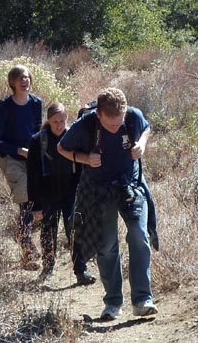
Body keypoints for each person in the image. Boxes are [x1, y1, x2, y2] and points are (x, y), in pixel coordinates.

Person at [57, 88, 159, 320]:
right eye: (110, 125)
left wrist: (141, 144)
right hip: (99, 190)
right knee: (107, 245)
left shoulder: (132, 116)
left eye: (119, 123)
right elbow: (61, 148)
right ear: (99, 115)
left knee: (139, 236)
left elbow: (146, 128)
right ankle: (113, 302)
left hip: (130, 184)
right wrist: (84, 159)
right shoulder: (85, 125)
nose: (116, 128)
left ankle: (143, 299)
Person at [26, 102, 97, 285]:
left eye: (63, 120)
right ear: (48, 121)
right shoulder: (37, 141)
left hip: (71, 190)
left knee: (74, 230)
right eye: (55, 121)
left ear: (67, 118)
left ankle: (81, 271)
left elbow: (82, 166)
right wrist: (35, 205)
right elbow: (32, 175)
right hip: (47, 192)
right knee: (48, 232)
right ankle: (48, 268)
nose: (59, 125)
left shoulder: (73, 136)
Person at [0, 64, 43, 270]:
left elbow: (38, 131)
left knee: (36, 202)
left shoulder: (36, 103)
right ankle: (27, 249)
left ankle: (31, 244)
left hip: (32, 158)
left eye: (27, 77)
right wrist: (18, 151)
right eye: (20, 78)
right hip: (10, 159)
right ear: (12, 82)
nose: (25, 81)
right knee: (26, 199)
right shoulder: (5, 107)